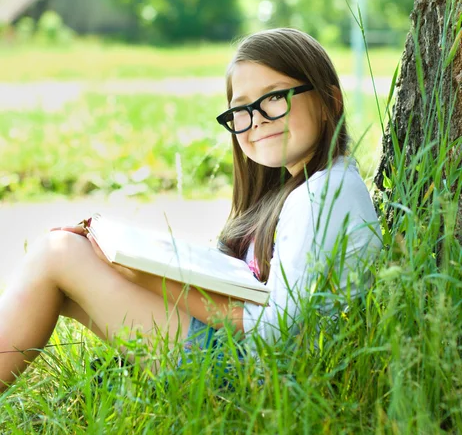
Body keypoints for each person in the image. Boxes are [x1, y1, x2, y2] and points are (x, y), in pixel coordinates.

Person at [0, 27, 382, 391]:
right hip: (244, 363)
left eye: (274, 98)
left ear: (329, 101)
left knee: (60, 254)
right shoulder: (297, 190)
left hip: (257, 380)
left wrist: (143, 276)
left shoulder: (326, 194)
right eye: (242, 109)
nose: (257, 119)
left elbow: (276, 334)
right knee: (69, 260)